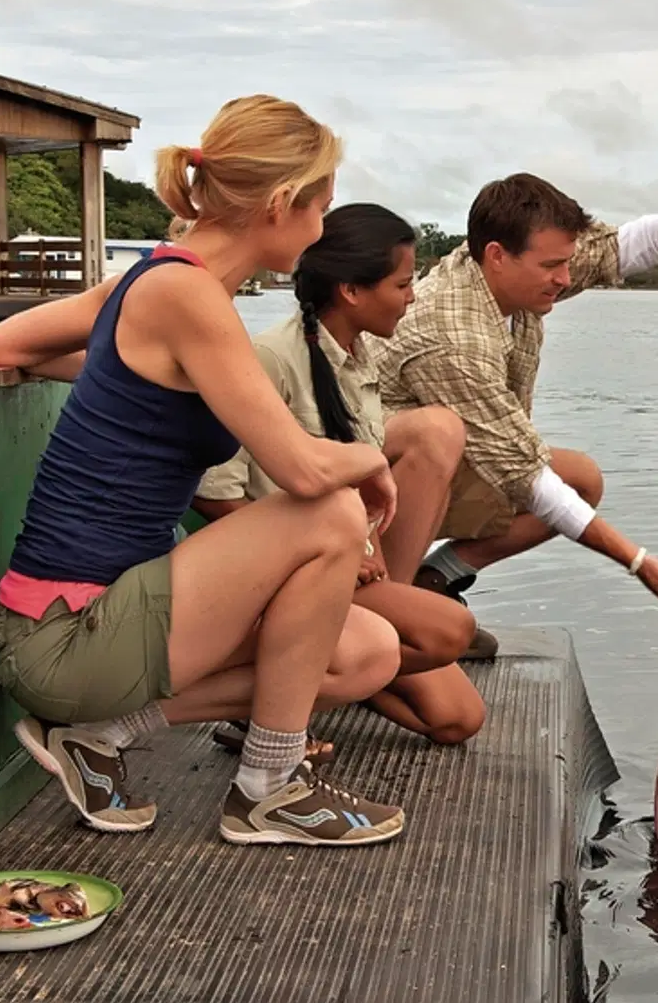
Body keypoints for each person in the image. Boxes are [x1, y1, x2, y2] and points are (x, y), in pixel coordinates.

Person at [0, 94, 408, 848]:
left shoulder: (160, 281)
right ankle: (271, 790)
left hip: (104, 622)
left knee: (367, 652)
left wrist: (122, 375)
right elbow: (304, 471)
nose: (322, 229)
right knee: (332, 512)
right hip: (63, 635)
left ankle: (102, 733)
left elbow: (3, 346)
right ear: (280, 204)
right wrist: (372, 458)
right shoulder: (182, 293)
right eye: (320, 209)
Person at [371, 175, 658, 628]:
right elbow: (524, 474)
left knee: (579, 480)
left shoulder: (510, 273)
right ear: (497, 256)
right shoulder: (452, 335)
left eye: (566, 262)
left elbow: (633, 245)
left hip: (438, 477)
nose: (566, 279)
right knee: (441, 437)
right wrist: (637, 561)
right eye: (553, 266)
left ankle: (436, 578)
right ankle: (387, 608)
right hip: (370, 497)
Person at [192, 202, 487, 752]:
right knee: (450, 630)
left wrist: (365, 552)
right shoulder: (271, 358)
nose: (412, 297)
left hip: (346, 573)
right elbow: (215, 495)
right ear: (351, 290)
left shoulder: (359, 358)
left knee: (457, 719)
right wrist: (324, 550)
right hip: (286, 582)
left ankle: (304, 688)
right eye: (402, 284)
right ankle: (275, 702)